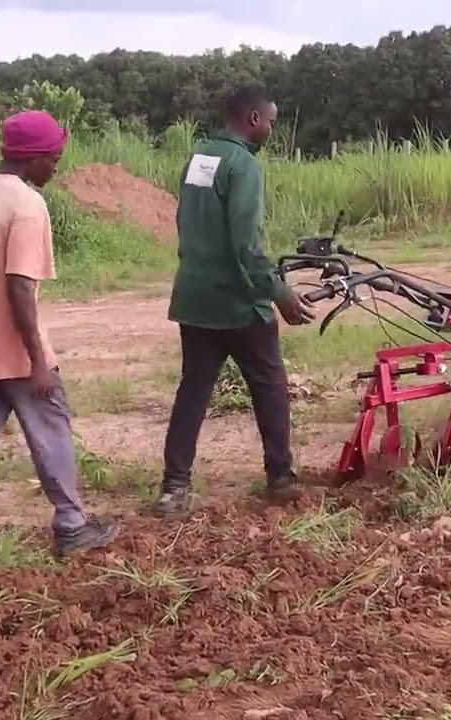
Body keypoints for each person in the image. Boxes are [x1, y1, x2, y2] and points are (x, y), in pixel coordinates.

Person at [0, 110, 120, 570]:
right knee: (51, 435)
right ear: (33, 158)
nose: (57, 167)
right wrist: (37, 360)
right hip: (18, 353)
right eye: (54, 158)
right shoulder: (26, 205)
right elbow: (19, 285)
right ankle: (72, 526)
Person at [154, 86, 314, 518]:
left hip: (195, 300)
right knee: (269, 386)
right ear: (254, 120)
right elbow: (247, 246)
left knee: (193, 391)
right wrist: (280, 293)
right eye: (272, 122)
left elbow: (187, 222)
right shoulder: (243, 166)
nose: (272, 129)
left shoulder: (198, 159)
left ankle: (174, 488)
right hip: (239, 304)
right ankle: (280, 477)